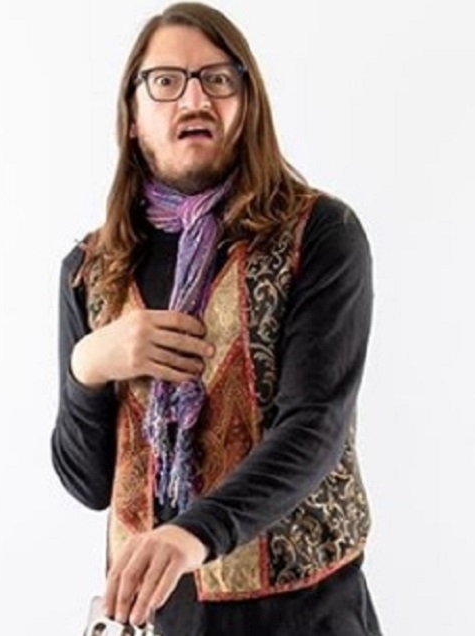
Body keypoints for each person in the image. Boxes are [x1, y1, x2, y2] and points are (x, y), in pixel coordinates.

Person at [52, 3, 381, 634]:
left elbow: (314, 427)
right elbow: (87, 481)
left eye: (218, 78)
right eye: (166, 81)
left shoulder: (319, 235)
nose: (195, 98)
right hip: (166, 620)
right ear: (132, 117)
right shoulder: (93, 269)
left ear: (246, 104)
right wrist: (88, 365)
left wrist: (192, 534)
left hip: (308, 615)